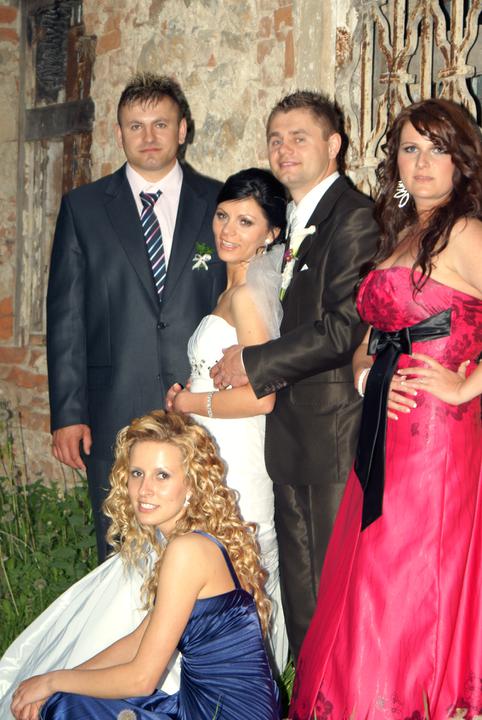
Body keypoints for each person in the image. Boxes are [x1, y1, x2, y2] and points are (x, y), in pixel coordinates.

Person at [290, 98, 482, 720]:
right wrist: (367, 372)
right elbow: (372, 338)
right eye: (409, 149)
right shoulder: (401, 231)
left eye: (437, 149)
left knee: (402, 573)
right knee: (369, 571)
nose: (421, 163)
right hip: (385, 429)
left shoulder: (468, 233)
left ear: (461, 161)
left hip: (436, 439)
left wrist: (465, 387)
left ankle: (403, 704)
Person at [210, 91, 379, 657]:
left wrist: (253, 362)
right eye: (275, 139)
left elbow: (344, 328)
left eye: (299, 137)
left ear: (333, 145)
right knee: (302, 593)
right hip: (289, 431)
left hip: (334, 429)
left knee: (336, 585)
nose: (284, 149)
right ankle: (309, 692)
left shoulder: (354, 216)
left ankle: (344, 694)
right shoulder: (292, 223)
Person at [46, 73, 226, 562]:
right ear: (119, 132)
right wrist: (68, 413)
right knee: (121, 546)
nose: (148, 136)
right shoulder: (83, 209)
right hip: (114, 407)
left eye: (160, 124)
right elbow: (66, 317)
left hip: (202, 404)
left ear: (182, 130)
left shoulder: (219, 204)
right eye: (136, 126)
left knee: (202, 541)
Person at [10, 410, 280, 720]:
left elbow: (142, 679)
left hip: (225, 714)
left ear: (192, 484)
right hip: (214, 705)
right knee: (66, 698)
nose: (144, 489)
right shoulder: (191, 541)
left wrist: (52, 683)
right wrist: (59, 681)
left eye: (162, 475)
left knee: (63, 708)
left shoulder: (188, 550)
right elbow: (137, 640)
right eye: (137, 473)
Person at [166, 167, 289, 674]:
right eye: (222, 216)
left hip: (237, 451)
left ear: (271, 234)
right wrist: (187, 395)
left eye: (245, 221)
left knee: (233, 556)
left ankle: (238, 674)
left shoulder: (245, 297)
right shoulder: (229, 289)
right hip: (211, 446)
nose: (227, 231)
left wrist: (191, 404)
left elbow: (263, 398)